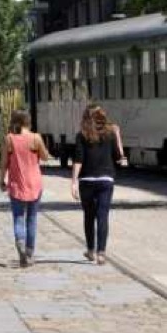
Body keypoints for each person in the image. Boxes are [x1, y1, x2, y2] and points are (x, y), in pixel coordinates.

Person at [71, 104, 123, 265]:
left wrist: (74, 181)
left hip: (86, 180)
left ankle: (90, 250)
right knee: (102, 216)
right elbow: (119, 157)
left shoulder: (82, 135)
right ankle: (101, 253)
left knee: (89, 216)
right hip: (106, 180)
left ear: (86, 117)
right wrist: (118, 135)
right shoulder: (110, 134)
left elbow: (78, 159)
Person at [0, 109, 49, 267]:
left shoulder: (9, 139)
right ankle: (29, 252)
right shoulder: (36, 138)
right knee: (32, 219)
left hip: (16, 184)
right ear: (28, 121)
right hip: (34, 184)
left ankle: (20, 243)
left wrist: (2, 180)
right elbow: (45, 157)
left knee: (18, 218)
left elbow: (3, 163)